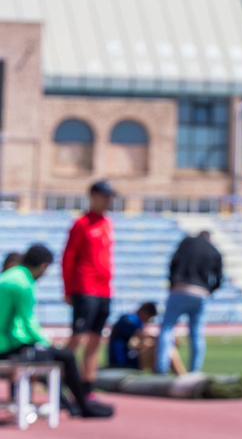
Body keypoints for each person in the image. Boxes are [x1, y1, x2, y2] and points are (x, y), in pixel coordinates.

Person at [0, 243, 115, 418]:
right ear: (44, 266)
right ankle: (83, 406)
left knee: (49, 355)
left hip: (7, 343)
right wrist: (46, 341)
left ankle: (70, 404)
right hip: (5, 348)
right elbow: (27, 322)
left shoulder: (9, 277)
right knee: (64, 356)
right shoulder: (23, 283)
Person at [62, 179, 117, 386]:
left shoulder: (107, 224)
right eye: (105, 196)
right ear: (93, 196)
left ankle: (87, 385)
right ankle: (58, 378)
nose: (108, 201)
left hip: (105, 290)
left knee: (96, 339)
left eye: (110, 197)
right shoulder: (81, 225)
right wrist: (68, 289)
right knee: (78, 337)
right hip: (85, 288)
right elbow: (68, 258)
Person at [156, 229, 224, 374]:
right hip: (200, 293)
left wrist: (172, 283)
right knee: (197, 333)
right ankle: (195, 371)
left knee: (167, 328)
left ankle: (161, 368)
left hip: (179, 289)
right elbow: (219, 277)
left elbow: (173, 264)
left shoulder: (186, 243)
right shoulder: (213, 249)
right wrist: (210, 290)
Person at [107, 301, 186, 374]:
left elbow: (139, 341)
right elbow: (137, 341)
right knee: (166, 349)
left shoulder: (132, 320)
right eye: (150, 317)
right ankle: (182, 378)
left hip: (128, 359)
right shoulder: (130, 320)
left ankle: (167, 378)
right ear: (145, 313)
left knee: (164, 348)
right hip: (124, 362)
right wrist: (161, 340)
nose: (148, 320)